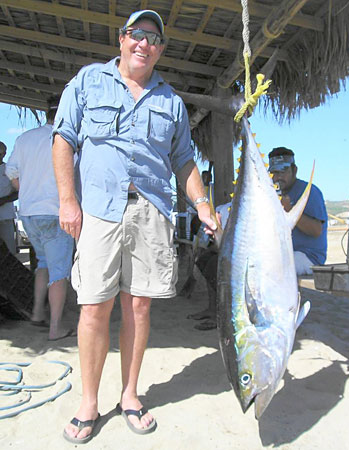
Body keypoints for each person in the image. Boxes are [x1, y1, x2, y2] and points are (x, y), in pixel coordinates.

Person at [51, 9, 216, 443]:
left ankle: (129, 394)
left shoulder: (172, 103)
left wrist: (201, 204)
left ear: (160, 50)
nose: (144, 43)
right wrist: (68, 200)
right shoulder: (87, 82)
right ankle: (89, 401)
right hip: (99, 211)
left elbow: (184, 161)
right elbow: (63, 139)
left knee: (138, 307)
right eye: (137, 35)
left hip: (151, 212)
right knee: (93, 307)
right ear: (121, 40)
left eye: (153, 38)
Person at [5, 96, 75, 341]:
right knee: (59, 272)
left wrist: (27, 191)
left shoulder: (25, 138)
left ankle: (37, 313)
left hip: (29, 212)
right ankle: (56, 327)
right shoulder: (68, 139)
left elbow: (11, 172)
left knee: (43, 263)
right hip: (57, 212)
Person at [268, 147, 327, 276]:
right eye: (274, 173)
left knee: (273, 270)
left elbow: (316, 230)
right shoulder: (270, 193)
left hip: (308, 257)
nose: (278, 177)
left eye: (283, 171)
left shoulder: (309, 191)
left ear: (294, 170)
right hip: (283, 254)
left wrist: (289, 209)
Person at [188, 202, 231, 331]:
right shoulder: (223, 208)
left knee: (214, 265)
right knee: (204, 259)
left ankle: (220, 317)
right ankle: (212, 309)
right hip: (224, 249)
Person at [0, 141, 17, 254]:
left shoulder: (10, 170)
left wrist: (4, 200)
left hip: (6, 217)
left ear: (4, 153)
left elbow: (19, 192)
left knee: (9, 251)